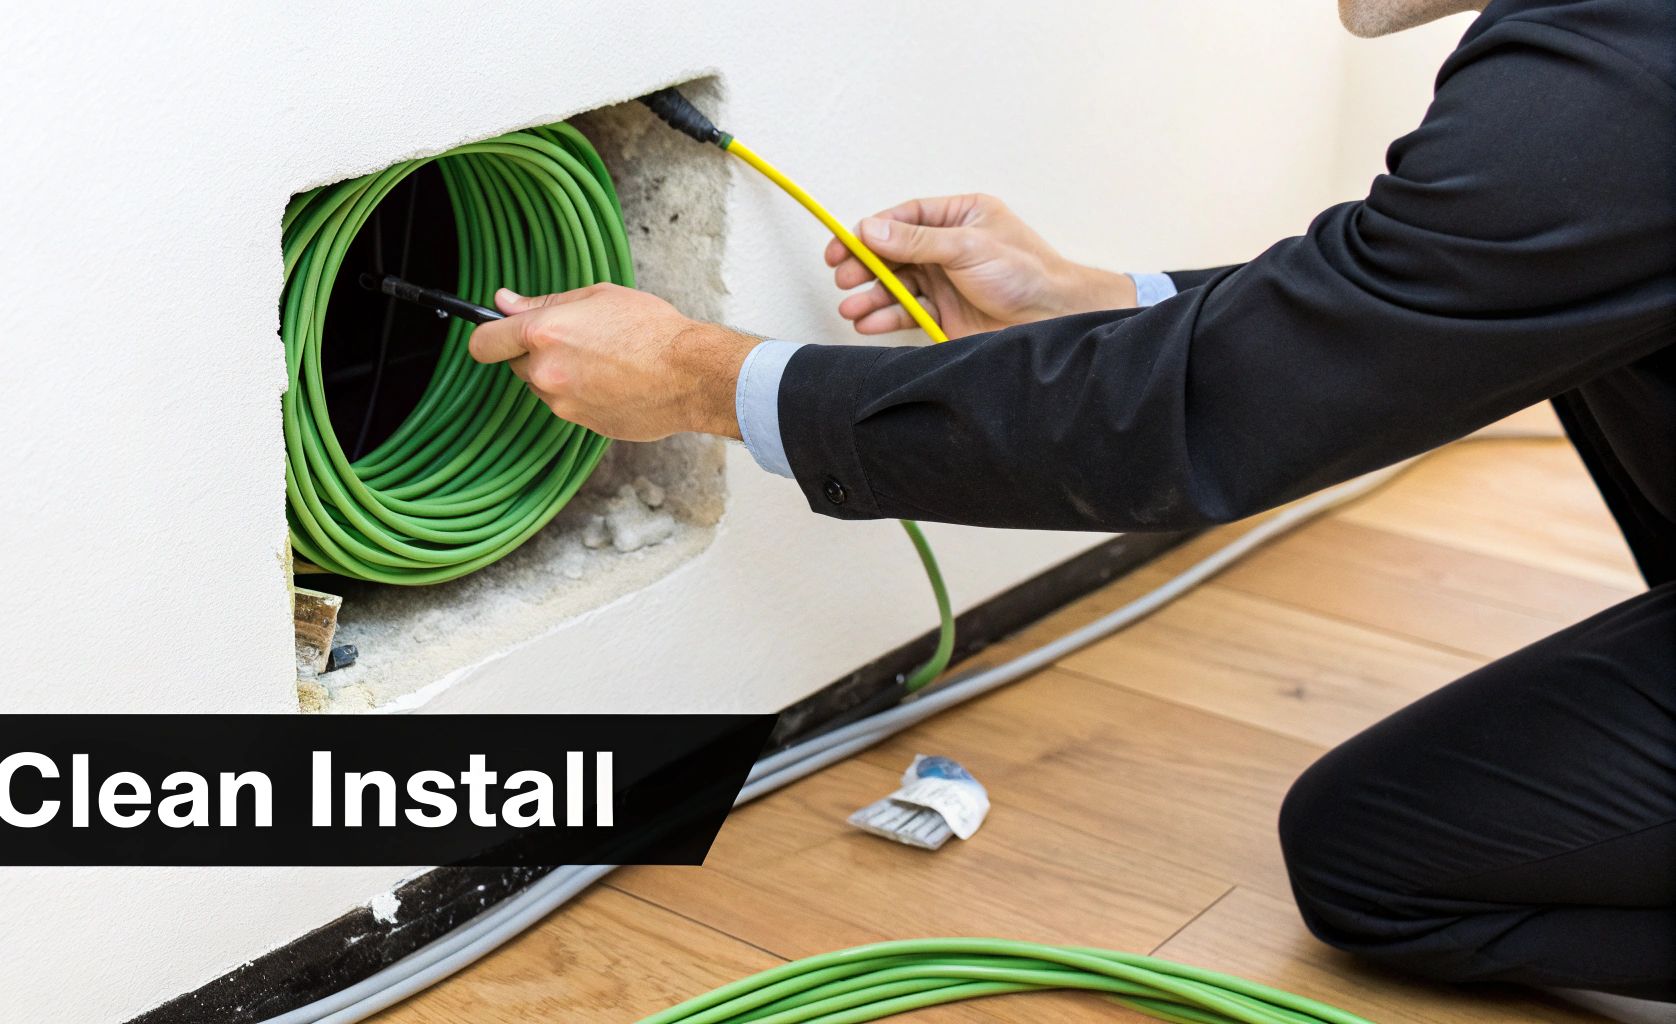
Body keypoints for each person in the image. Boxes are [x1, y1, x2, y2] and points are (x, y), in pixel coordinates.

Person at [465, 0, 1675, 1006]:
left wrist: (698, 377)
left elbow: (1204, 419)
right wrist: (1090, 300)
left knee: (1373, 859)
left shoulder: (1604, 76)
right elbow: (1404, 299)